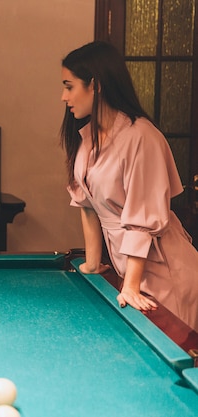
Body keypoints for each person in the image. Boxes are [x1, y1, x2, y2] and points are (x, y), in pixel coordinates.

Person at [60, 41, 198, 332]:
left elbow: (143, 220)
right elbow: (87, 207)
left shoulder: (141, 136)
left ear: (94, 85)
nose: (63, 96)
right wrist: (92, 264)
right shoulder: (88, 137)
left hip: (166, 273)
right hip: (133, 271)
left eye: (69, 86)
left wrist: (131, 286)